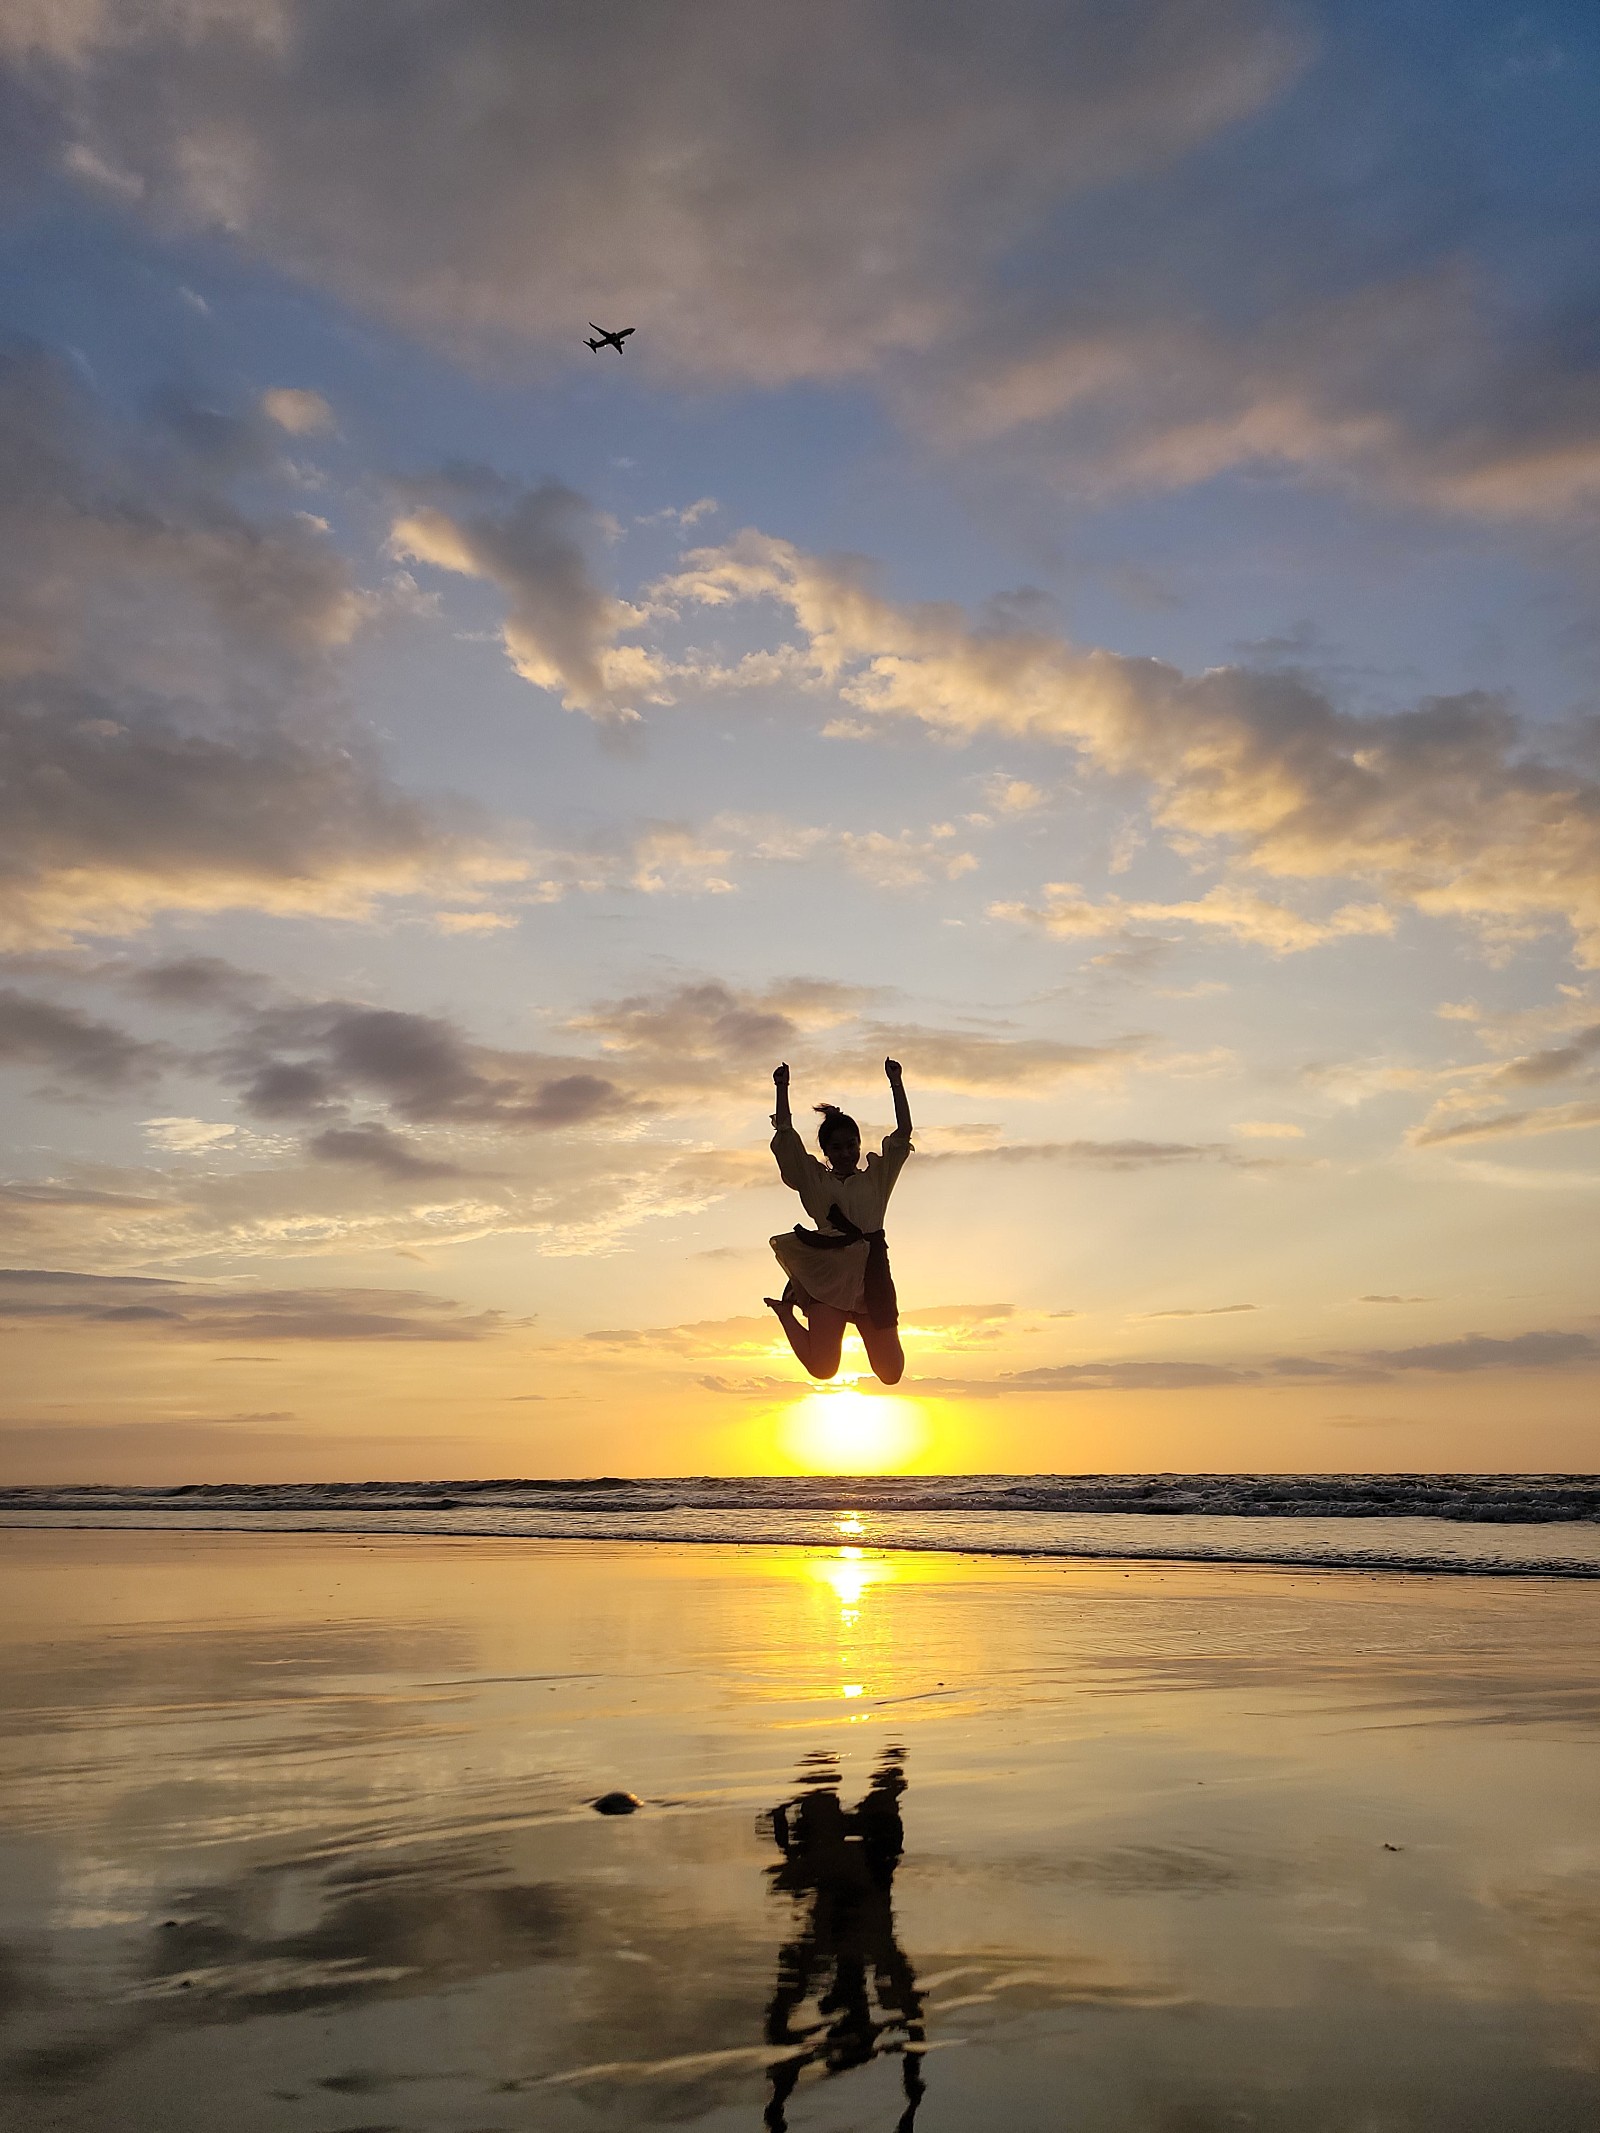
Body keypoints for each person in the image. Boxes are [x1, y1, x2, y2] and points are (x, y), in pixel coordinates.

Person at [764, 1057, 913, 1384]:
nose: (845, 1153)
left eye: (851, 1145)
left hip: (871, 1276)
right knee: (824, 1368)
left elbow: (903, 1133)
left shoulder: (876, 1179)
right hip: (829, 1277)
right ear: (826, 1151)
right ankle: (785, 1314)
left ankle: (854, 1318)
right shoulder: (815, 1180)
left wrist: (896, 1083)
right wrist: (781, 1087)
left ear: (858, 1145)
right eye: (836, 1147)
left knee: (891, 1372)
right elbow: (786, 1136)